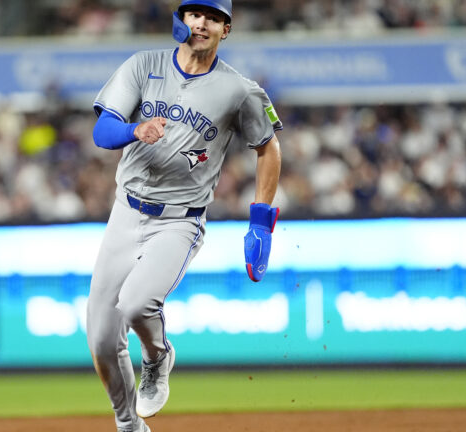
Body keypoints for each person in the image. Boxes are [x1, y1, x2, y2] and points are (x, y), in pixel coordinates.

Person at [85, 1, 283, 431]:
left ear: (225, 30)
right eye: (194, 13)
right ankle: (129, 426)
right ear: (181, 19)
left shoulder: (239, 90)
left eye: (212, 17)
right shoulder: (144, 65)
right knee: (101, 339)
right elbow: (102, 131)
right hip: (126, 211)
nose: (201, 23)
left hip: (179, 220)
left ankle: (157, 357)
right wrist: (135, 129)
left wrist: (261, 221)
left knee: (138, 304)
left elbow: (268, 148)